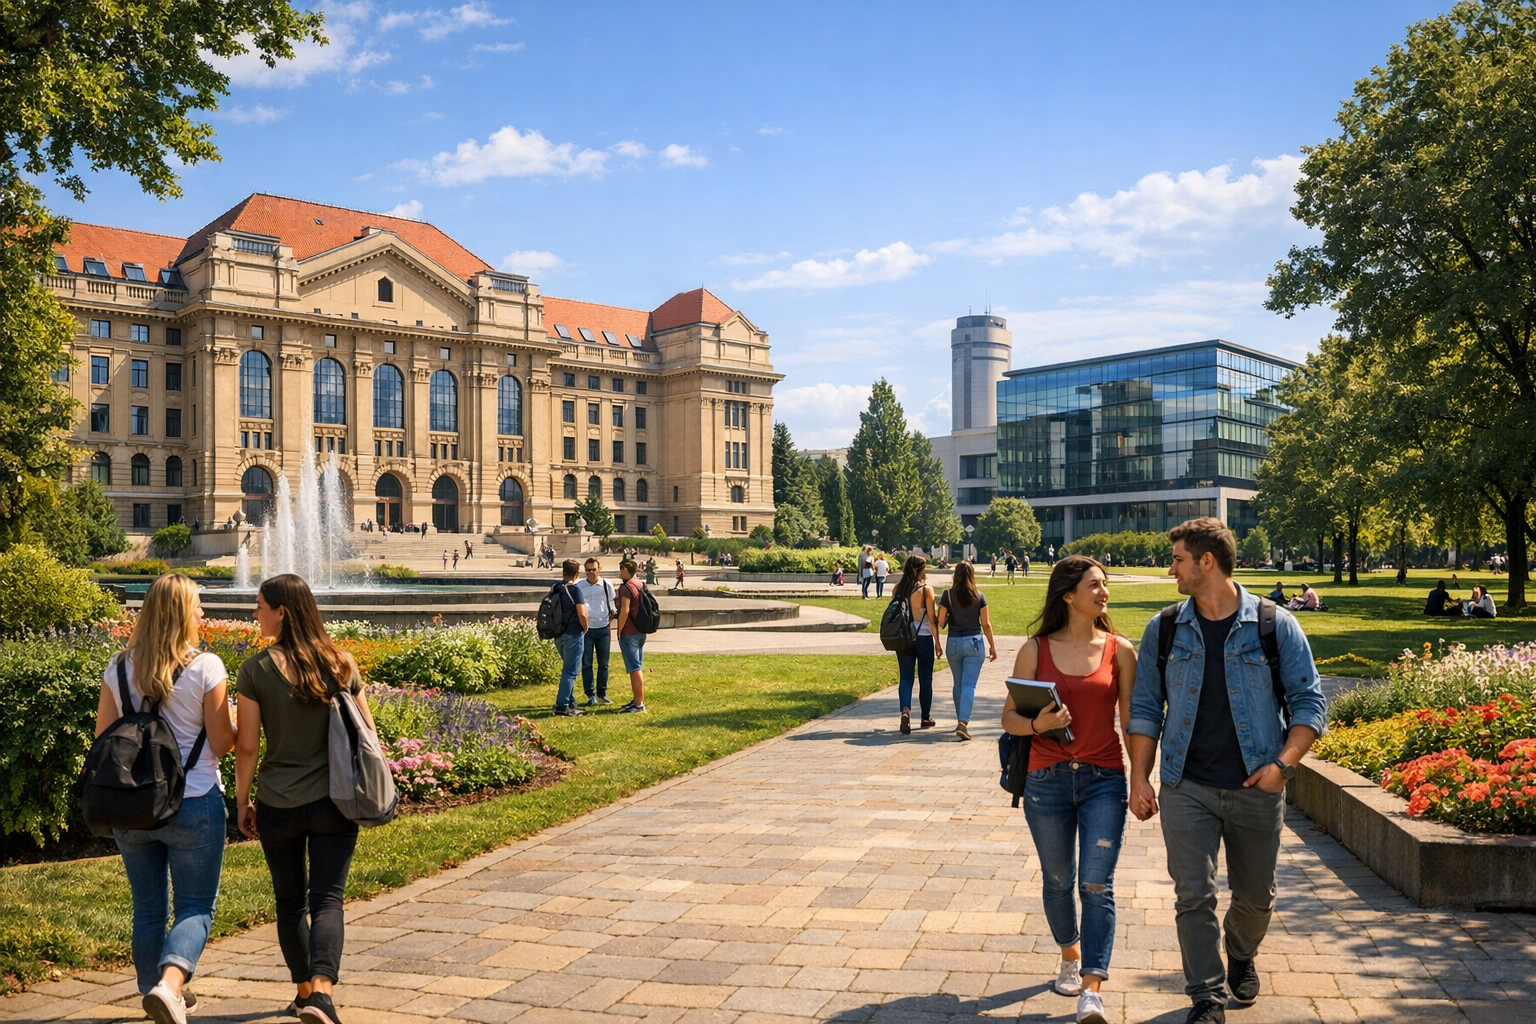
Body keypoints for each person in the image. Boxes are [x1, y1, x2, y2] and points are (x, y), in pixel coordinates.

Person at [1127, 518, 1325, 1024]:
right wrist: (1139, 778)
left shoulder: (1274, 623)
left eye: (1176, 559)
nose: (1171, 569)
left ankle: (1241, 951)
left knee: (1257, 898)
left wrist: (1282, 766)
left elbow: (1308, 704)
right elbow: (1146, 709)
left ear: (1205, 562)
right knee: (1193, 895)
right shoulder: (1166, 627)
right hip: (1185, 785)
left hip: (1257, 783)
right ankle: (1207, 998)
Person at [236, 574, 382, 1024]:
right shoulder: (341, 662)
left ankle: (303, 992)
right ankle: (321, 992)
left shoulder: (256, 669)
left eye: (261, 606)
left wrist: (242, 802)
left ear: (283, 611)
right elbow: (368, 733)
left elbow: (247, 746)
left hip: (278, 802)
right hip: (336, 800)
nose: (256, 613)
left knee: (289, 902)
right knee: (328, 900)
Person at [1000, 556, 1136, 1024]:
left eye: (1105, 585)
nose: (1104, 593)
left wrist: (1141, 779)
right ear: (1068, 596)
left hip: (1104, 780)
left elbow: (1131, 722)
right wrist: (1040, 722)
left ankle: (1092, 989)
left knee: (1096, 884)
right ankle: (1070, 956)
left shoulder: (1121, 650)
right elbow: (1009, 719)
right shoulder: (1035, 650)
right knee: (1058, 881)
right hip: (1046, 781)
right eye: (1094, 585)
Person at [99, 575, 235, 1024]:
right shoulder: (206, 667)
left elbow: (104, 741)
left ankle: (153, 990)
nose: (202, 614)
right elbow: (219, 742)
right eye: (197, 606)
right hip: (193, 799)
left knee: (148, 905)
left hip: (133, 806)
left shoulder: (118, 668)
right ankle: (170, 985)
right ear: (181, 614)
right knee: (196, 904)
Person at [935, 561, 997, 741]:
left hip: (953, 642)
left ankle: (959, 719)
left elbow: (940, 622)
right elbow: (986, 623)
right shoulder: (979, 596)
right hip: (974, 642)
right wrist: (992, 645)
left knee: (958, 683)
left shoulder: (948, 595)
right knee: (969, 684)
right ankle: (963, 722)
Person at [892, 554, 943, 735]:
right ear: (919, 570)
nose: (926, 571)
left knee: (905, 677)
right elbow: (931, 619)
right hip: (923, 638)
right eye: (924, 568)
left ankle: (905, 710)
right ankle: (925, 717)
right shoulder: (926, 590)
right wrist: (937, 642)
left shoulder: (898, 588)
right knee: (925, 678)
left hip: (904, 638)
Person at [548, 560, 589, 716]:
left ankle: (571, 704)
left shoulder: (555, 588)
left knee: (567, 669)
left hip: (558, 634)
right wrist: (585, 628)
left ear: (563, 572)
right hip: (573, 634)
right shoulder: (576, 590)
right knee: (571, 672)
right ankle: (562, 706)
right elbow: (582, 613)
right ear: (577, 573)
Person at [576, 558, 617, 707]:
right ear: (584, 570)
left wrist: (610, 623)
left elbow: (612, 606)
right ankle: (590, 695)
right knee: (586, 663)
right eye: (588, 570)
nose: (591, 573)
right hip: (587, 629)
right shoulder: (579, 586)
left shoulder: (607, 585)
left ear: (599, 569)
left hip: (603, 628)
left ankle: (602, 693)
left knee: (603, 664)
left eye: (594, 570)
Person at [615, 559, 649, 713]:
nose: (619, 572)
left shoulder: (626, 587)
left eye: (621, 569)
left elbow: (625, 610)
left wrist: (619, 630)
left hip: (629, 632)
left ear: (626, 570)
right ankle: (637, 699)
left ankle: (639, 704)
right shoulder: (639, 584)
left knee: (635, 669)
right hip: (640, 630)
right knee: (637, 666)